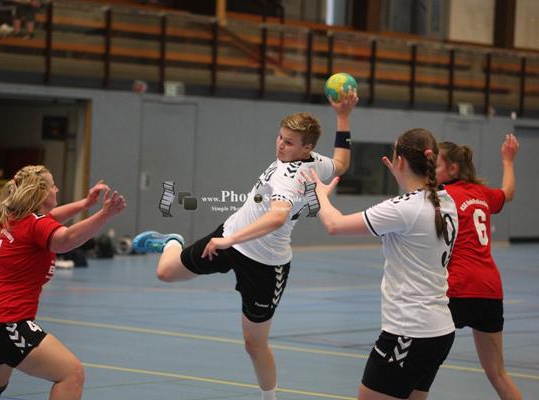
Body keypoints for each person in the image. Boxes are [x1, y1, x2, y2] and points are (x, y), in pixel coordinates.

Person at [133, 90, 358, 400]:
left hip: (264, 265)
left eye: (289, 142)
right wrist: (343, 117)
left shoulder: (290, 176)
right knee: (165, 273)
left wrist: (229, 240)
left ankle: (269, 398)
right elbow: (341, 163)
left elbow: (277, 217)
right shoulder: (314, 161)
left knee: (254, 344)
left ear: (307, 148)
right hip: (232, 234)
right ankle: (172, 242)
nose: (280, 145)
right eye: (280, 138)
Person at [306, 128, 458, 400]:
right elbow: (415, 211)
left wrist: (319, 194)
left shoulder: (403, 208)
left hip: (409, 332)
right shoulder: (446, 202)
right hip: (439, 332)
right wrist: (404, 176)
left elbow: (334, 225)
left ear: (400, 161)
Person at [0, 165, 126, 400]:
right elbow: (65, 240)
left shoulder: (20, 218)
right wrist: (104, 214)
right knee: (72, 374)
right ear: (41, 192)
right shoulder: (35, 224)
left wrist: (86, 204)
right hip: (6, 320)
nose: (57, 189)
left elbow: (52, 218)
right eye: (53, 185)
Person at [436, 134, 522, 400]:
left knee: (422, 367)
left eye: (435, 166)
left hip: (458, 289)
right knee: (498, 373)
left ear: (453, 169)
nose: (430, 171)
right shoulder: (481, 193)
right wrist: (508, 161)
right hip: (490, 291)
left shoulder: (443, 196)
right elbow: (507, 193)